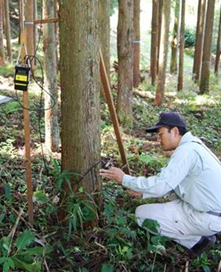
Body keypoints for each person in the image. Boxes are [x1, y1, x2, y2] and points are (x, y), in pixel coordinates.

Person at [100, 112, 221, 255]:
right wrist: (143, 192)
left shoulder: (186, 151)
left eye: (161, 134)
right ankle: (201, 233)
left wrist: (124, 179)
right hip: (211, 212)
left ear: (175, 131)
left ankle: (197, 241)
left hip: (207, 216)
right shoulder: (194, 146)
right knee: (168, 199)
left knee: (142, 214)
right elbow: (173, 182)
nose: (159, 139)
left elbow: (161, 185)